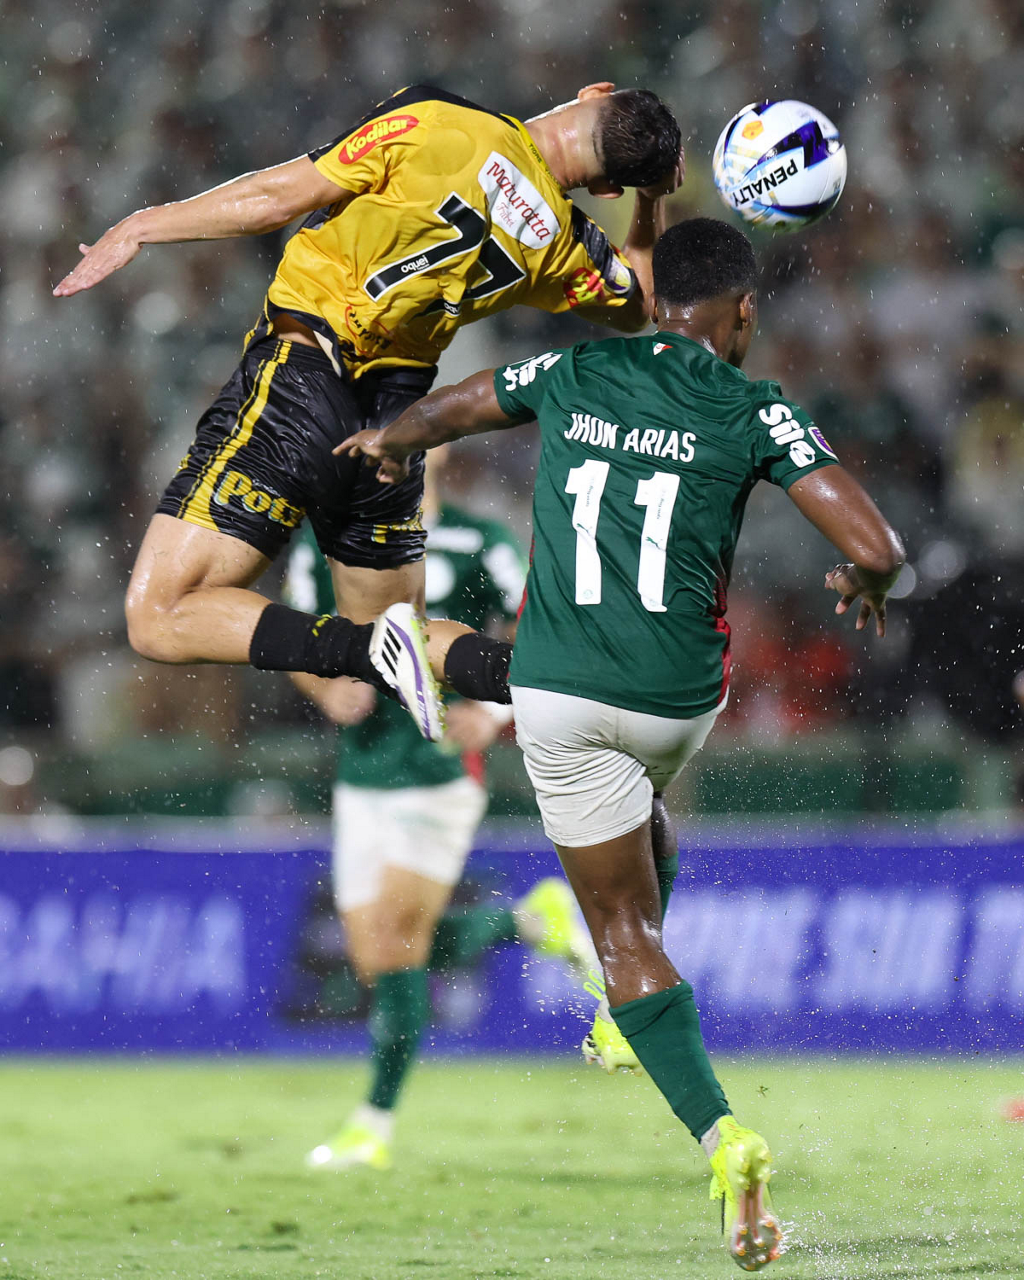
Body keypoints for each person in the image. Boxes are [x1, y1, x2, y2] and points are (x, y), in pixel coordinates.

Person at [339, 217, 906, 1269]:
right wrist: (863, 581)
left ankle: (721, 1135)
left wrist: (392, 440)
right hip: (679, 703)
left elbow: (465, 402)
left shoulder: (580, 368)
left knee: (624, 937)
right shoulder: (756, 405)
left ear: (654, 304)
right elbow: (878, 546)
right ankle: (621, 1010)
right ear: (742, 313)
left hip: (558, 698)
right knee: (643, 815)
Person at [53, 83, 683, 734]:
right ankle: (580, 679)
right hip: (392, 432)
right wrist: (652, 200)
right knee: (404, 630)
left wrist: (143, 224)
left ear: (593, 92)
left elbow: (278, 198)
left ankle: (370, 651)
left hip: (304, 380)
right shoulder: (568, 245)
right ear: (608, 189)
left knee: (159, 616)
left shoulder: (439, 118)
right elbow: (641, 304)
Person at [283, 450, 604, 1170]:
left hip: (441, 766)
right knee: (378, 959)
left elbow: (545, 629)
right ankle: (524, 921)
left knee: (396, 939)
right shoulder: (324, 542)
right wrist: (324, 687)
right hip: (361, 772)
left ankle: (373, 1123)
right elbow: (291, 631)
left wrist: (495, 714)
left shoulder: (478, 539)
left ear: (441, 448)